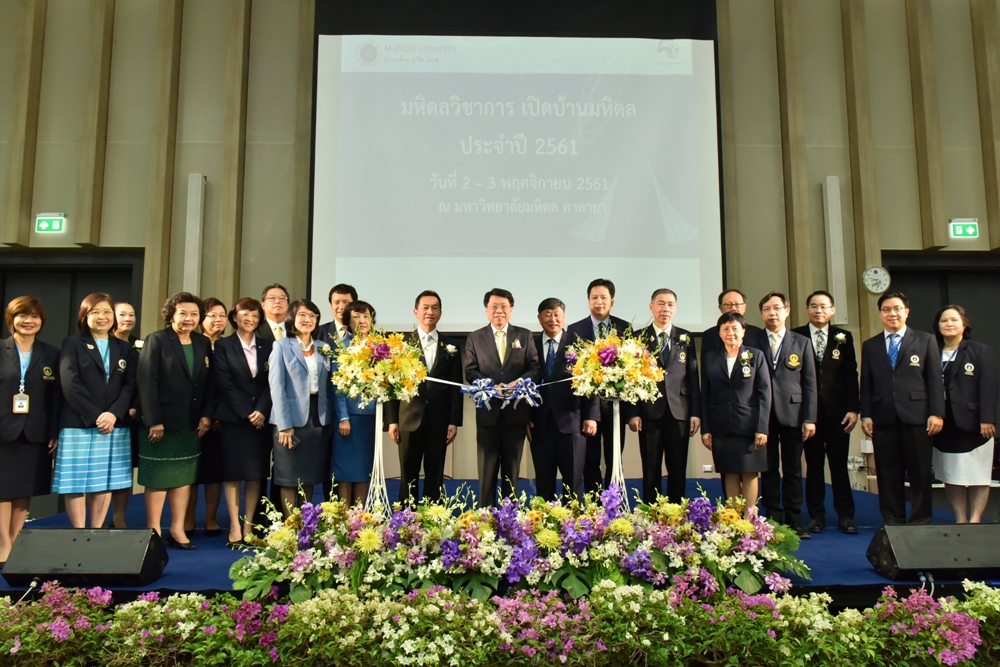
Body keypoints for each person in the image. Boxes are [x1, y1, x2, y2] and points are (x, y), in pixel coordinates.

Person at [137, 293, 215, 549]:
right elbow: (146, 381)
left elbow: (209, 383)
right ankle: (154, 531)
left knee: (183, 478)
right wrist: (154, 420)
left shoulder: (202, 342)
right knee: (158, 478)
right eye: (183, 313)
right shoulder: (157, 340)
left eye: (194, 314)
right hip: (162, 423)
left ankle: (178, 529)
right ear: (171, 315)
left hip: (191, 422)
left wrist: (207, 414)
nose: (189, 319)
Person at [54, 293, 137, 528]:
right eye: (96, 312)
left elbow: (131, 384)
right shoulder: (72, 344)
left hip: (114, 424)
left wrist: (113, 414)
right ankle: (80, 531)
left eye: (107, 312)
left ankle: (97, 529)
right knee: (75, 482)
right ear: (85, 315)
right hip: (79, 423)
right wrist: (96, 415)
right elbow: (70, 382)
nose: (102, 317)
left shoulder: (124, 348)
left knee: (105, 480)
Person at [860, 292, 944, 525]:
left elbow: (935, 380)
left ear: (906, 312)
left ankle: (920, 520)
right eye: (886, 309)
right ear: (880, 314)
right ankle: (893, 519)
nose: (892, 313)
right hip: (883, 417)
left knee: (920, 472)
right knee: (887, 473)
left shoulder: (925, 340)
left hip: (917, 416)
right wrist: (866, 414)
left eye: (897, 308)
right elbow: (866, 383)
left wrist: (937, 413)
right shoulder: (871, 345)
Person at [791, 291, 860, 534]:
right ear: (807, 309)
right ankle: (816, 516)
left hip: (838, 412)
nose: (818, 310)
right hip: (808, 413)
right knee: (813, 465)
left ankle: (846, 516)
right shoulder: (795, 335)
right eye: (813, 306)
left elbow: (851, 374)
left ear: (832, 310)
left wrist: (853, 408)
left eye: (823, 306)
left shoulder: (843, 337)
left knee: (839, 465)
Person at [465, 288, 540, 507]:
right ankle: (485, 517)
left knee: (512, 473)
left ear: (511, 309)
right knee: (486, 474)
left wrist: (520, 382)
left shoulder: (524, 335)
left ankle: (510, 518)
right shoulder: (475, 337)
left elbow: (535, 368)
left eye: (504, 307)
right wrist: (489, 386)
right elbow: (470, 370)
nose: (499, 311)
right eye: (494, 307)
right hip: (488, 415)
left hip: (515, 415)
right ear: (486, 310)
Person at [386, 291, 463, 504]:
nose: (430, 312)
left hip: (439, 420)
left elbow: (456, 387)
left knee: (435, 474)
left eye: (434, 308)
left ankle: (433, 517)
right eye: (425, 307)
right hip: (408, 418)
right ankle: (406, 518)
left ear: (440, 313)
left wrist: (454, 421)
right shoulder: (401, 344)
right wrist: (392, 420)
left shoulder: (451, 346)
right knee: (407, 473)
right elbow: (391, 385)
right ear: (415, 312)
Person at [0, 297, 60, 564]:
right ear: (11, 319)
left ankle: (16, 541)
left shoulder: (51, 354)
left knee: (23, 490)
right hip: (3, 432)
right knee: (2, 489)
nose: (28, 321)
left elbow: (55, 399)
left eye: (34, 316)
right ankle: (3, 544)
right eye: (22, 315)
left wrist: (54, 432)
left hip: (35, 432)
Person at [627, 288, 701, 504]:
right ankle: (652, 511)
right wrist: (633, 413)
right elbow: (631, 378)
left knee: (678, 466)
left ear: (675, 308)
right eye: (660, 304)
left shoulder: (685, 337)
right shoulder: (638, 338)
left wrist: (695, 412)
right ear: (651, 307)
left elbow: (693, 377)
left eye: (670, 304)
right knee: (650, 466)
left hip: (680, 411)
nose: (665, 309)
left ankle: (676, 512)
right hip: (649, 412)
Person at [757, 292, 817, 539]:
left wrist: (809, 418)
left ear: (787, 311)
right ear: (761, 313)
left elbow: (810, 383)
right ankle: (772, 516)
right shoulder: (753, 340)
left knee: (793, 469)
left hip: (793, 413)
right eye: (767, 309)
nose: (772, 313)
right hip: (763, 415)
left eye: (777, 308)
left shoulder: (801, 342)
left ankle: (794, 518)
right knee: (768, 468)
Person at [214, 298, 273, 546]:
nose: (250, 319)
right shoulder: (223, 345)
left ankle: (249, 525)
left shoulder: (268, 345)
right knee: (233, 474)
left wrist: (261, 411)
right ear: (235, 317)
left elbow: (272, 382)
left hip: (261, 420)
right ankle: (234, 526)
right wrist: (248, 413)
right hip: (235, 420)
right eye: (245, 314)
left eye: (255, 315)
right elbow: (224, 383)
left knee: (255, 474)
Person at [700, 312, 771, 514]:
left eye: (735, 328)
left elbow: (765, 394)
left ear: (743, 331)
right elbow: (705, 394)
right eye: (726, 329)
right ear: (719, 333)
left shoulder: (756, 355)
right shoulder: (710, 358)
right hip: (721, 425)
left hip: (749, 426)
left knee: (749, 473)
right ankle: (733, 518)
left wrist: (762, 428)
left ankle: (749, 518)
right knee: (729, 472)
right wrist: (706, 429)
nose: (730, 333)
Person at [932, 305, 998, 524]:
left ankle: (975, 519)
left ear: (964, 324)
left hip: (974, 424)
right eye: (944, 320)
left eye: (954, 320)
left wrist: (987, 418)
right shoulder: (932, 350)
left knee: (978, 475)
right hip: (944, 423)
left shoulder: (979, 351)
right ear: (938, 326)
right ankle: (960, 518)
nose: (949, 324)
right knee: (952, 474)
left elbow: (988, 386)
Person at [268, 299, 334, 515]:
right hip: (289, 419)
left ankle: (306, 521)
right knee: (289, 477)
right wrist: (284, 425)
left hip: (317, 419)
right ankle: (290, 523)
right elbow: (277, 387)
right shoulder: (281, 346)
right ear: (292, 318)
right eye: (302, 315)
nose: (308, 320)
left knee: (309, 476)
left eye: (312, 316)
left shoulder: (324, 348)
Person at [564, 278, 629, 494]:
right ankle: (593, 505)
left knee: (614, 458)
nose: (598, 302)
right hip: (586, 407)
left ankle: (613, 502)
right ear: (588, 301)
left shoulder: (624, 328)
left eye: (603, 298)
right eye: (594, 298)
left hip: (616, 407)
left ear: (612, 301)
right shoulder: (575, 329)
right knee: (590, 460)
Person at [528, 298, 597, 501]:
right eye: (548, 315)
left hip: (572, 423)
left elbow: (592, 381)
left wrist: (591, 416)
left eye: (557, 314)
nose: (553, 319)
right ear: (539, 318)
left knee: (573, 482)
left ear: (564, 316)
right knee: (544, 482)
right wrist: (525, 418)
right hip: (539, 425)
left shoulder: (579, 344)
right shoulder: (530, 345)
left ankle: (572, 520)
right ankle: (544, 520)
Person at [184, 298, 227, 536]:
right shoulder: (193, 343)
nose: (218, 320)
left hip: (220, 418)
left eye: (222, 316)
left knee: (214, 473)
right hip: (191, 417)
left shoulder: (228, 345)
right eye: (212, 315)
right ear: (202, 319)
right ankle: (187, 518)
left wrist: (217, 415)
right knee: (190, 473)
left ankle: (211, 517)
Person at [332, 301, 379, 506]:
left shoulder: (380, 347)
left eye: (366, 316)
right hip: (349, 419)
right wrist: (343, 416)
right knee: (345, 470)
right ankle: (344, 517)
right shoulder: (342, 347)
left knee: (364, 470)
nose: (362, 321)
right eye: (356, 317)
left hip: (372, 418)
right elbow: (336, 386)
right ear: (347, 322)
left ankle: (360, 515)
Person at [110, 301, 141, 528]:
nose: (128, 319)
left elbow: (144, 381)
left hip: (130, 415)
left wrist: (135, 406)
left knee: (123, 467)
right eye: (122, 314)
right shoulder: (101, 343)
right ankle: (97, 518)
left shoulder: (140, 345)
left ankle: (119, 515)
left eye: (131, 315)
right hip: (101, 416)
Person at [700, 289, 771, 359]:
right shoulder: (710, 335)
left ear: (744, 307)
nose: (733, 308)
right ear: (720, 308)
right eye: (728, 305)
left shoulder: (758, 334)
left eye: (737, 304)